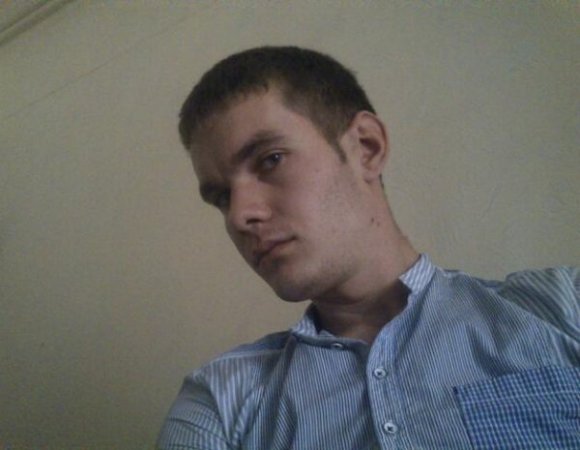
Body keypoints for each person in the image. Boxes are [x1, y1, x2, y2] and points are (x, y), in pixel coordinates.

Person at [157, 46, 579, 450]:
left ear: (366, 147)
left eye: (271, 159)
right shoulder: (220, 400)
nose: (238, 215)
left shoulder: (563, 308)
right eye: (222, 197)